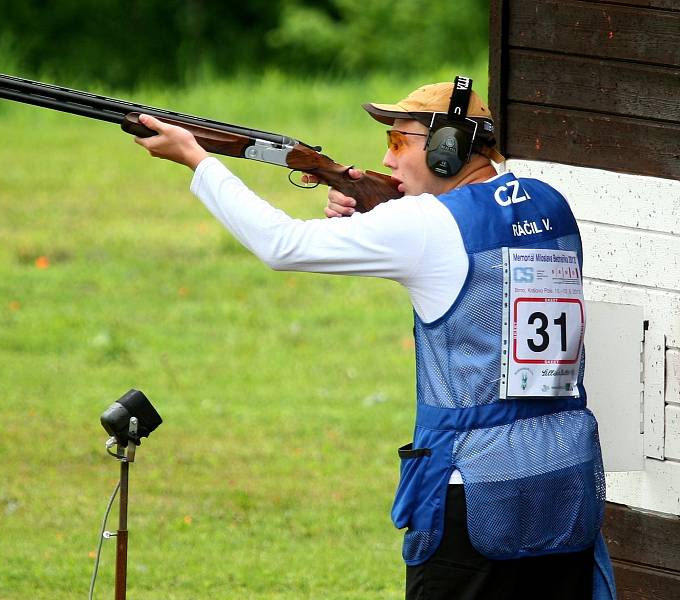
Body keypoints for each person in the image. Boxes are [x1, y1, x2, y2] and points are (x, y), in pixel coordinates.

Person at [132, 80, 616, 600]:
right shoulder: (551, 204)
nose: (387, 160)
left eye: (399, 142)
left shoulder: (425, 224)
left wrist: (198, 161)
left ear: (446, 148)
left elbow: (281, 245)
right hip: (564, 477)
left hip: (472, 490)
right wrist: (379, 216)